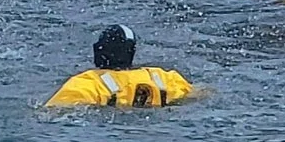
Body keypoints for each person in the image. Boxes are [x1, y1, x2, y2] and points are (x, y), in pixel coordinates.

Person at [45, 25, 196, 108]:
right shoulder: (162, 77)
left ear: (98, 50)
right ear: (132, 52)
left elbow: (51, 113)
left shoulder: (85, 83)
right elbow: (202, 95)